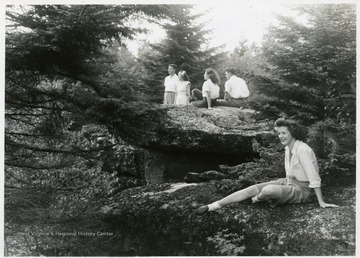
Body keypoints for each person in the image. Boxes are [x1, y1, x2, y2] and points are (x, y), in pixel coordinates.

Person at [195, 118, 338, 215]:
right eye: (279, 133)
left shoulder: (302, 149)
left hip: (303, 190)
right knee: (252, 188)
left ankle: (257, 199)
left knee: (268, 190)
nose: (280, 136)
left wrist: (321, 202)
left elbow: (313, 176)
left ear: (293, 133)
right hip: (287, 182)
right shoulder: (288, 147)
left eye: (284, 133)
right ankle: (213, 206)